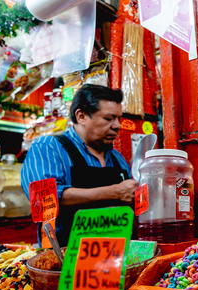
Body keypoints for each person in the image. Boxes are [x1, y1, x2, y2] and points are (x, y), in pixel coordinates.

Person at [21, 84, 138, 246]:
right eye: (108, 118)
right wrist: (114, 192)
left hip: (116, 256)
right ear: (81, 116)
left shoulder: (117, 157)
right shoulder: (49, 146)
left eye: (119, 119)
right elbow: (42, 200)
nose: (117, 126)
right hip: (64, 257)